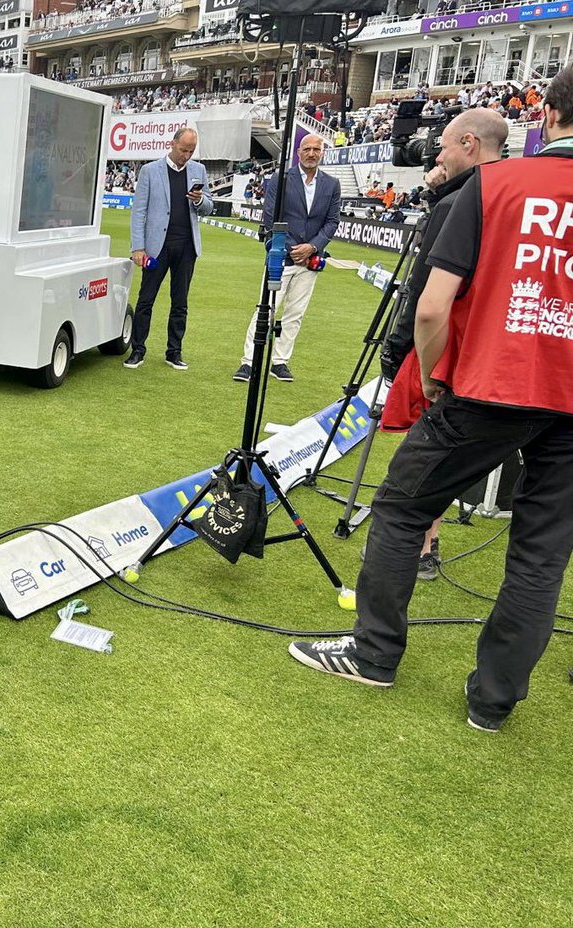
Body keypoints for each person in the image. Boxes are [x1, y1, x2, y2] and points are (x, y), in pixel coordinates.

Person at [287, 66, 573, 733]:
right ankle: (493, 701)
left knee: (400, 507)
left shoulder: (497, 185)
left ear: (550, 113)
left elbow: (431, 308)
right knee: (541, 550)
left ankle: (373, 652)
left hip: (492, 382)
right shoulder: (496, 181)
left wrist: (436, 374)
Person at [378, 108, 508, 580]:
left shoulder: (462, 204)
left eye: (446, 148)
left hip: (447, 350)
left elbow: (424, 295)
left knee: (424, 454)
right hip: (496, 352)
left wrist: (399, 350)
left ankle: (422, 545)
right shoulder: (510, 193)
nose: (439, 156)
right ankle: (427, 541)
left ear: (469, 144)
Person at [233, 134, 341, 383]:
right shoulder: (281, 179)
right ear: (299, 152)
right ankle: (249, 361)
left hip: (310, 260)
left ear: (322, 152)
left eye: (317, 149)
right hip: (281, 257)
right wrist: (293, 248)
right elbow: (270, 217)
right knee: (265, 309)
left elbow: (332, 220)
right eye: (307, 149)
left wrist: (312, 247)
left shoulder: (331, 184)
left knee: (295, 312)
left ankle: (280, 361)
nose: (312, 153)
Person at [125, 127, 214, 370]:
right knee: (146, 300)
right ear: (172, 144)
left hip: (186, 246)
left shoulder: (199, 170)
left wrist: (200, 200)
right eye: (184, 149)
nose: (187, 155)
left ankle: (174, 351)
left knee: (180, 302)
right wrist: (138, 247)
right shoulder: (150, 170)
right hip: (156, 247)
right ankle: (138, 350)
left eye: (191, 151)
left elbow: (209, 206)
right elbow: (139, 212)